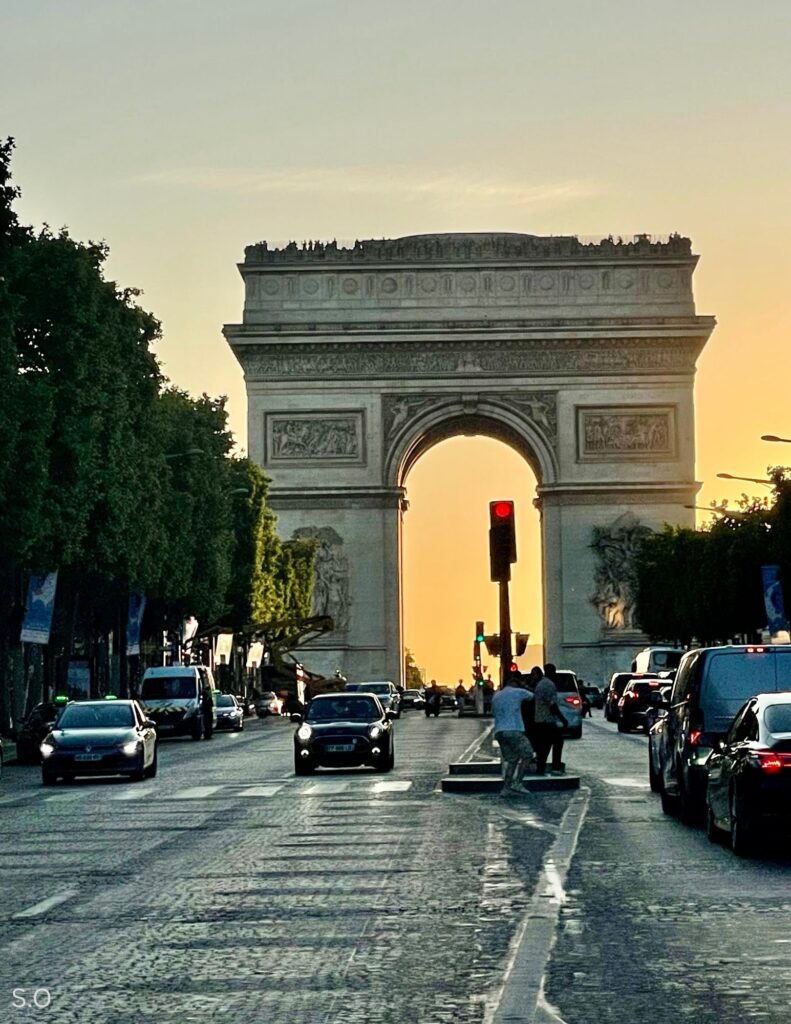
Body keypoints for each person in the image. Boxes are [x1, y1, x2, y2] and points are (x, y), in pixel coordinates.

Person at [492, 673, 534, 793]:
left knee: (512, 759)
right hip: (514, 730)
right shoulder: (518, 692)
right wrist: (524, 686)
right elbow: (532, 696)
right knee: (528, 754)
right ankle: (518, 782)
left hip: (500, 732)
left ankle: (506, 788)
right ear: (516, 684)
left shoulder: (497, 695)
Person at [533, 663, 568, 774]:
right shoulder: (549, 685)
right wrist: (562, 719)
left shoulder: (541, 684)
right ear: (551, 672)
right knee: (557, 742)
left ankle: (540, 768)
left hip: (540, 719)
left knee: (544, 745)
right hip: (547, 720)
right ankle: (555, 767)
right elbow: (552, 705)